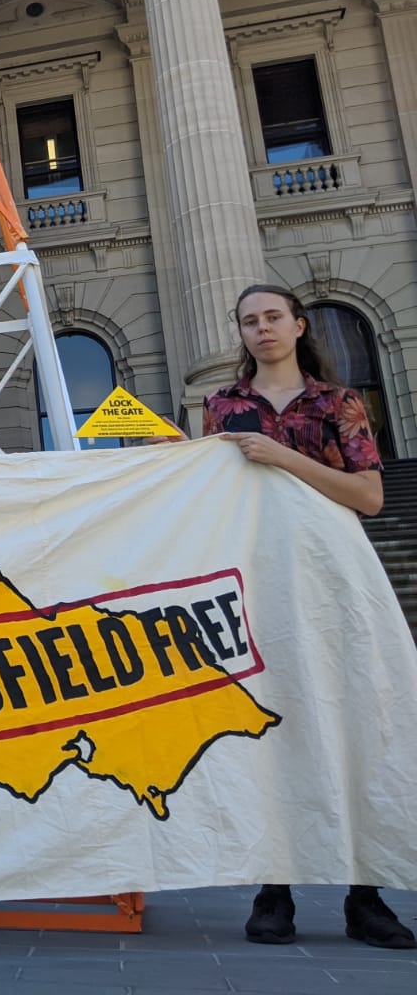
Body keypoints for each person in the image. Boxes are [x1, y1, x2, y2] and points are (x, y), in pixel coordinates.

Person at [202, 283, 414, 951]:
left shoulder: (338, 402)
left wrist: (284, 457)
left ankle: (366, 895)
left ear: (298, 324)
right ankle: (275, 891)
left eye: (272, 317)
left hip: (336, 576)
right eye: (249, 321)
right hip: (258, 576)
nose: (261, 329)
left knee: (360, 724)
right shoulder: (223, 407)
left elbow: (371, 496)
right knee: (270, 728)